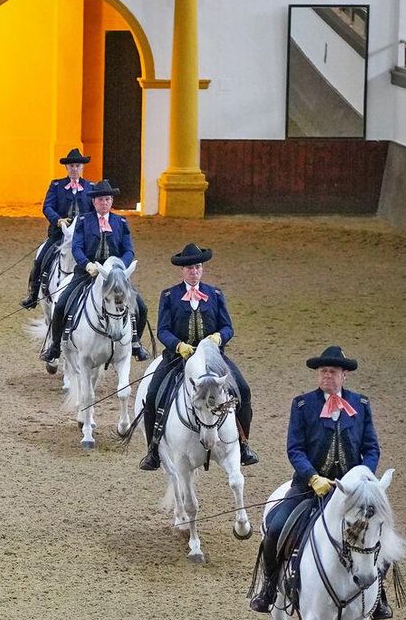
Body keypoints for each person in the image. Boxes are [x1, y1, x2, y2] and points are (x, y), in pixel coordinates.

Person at [249, 346, 388, 618]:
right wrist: (313, 477)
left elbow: (371, 448)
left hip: (351, 494)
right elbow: (295, 449)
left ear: (344, 375)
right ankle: (267, 588)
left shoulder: (360, 406)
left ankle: (380, 595)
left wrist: (361, 478)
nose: (326, 376)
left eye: (332, 372)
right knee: (276, 529)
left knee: (380, 535)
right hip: (308, 488)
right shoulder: (302, 405)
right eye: (322, 371)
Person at [138, 243, 260, 470]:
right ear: (182, 271)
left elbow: (228, 327)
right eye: (189, 268)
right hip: (178, 358)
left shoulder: (215, 294)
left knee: (242, 389)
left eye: (197, 267)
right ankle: (153, 449)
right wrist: (178, 345)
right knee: (154, 394)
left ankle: (243, 445)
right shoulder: (169, 295)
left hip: (213, 358)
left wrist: (218, 338)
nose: (193, 271)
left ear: (202, 269)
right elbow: (163, 329)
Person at [39, 180, 151, 364]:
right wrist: (87, 264)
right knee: (61, 305)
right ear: (94, 202)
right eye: (100, 200)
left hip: (115, 274)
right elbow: (76, 248)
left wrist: (120, 267)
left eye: (107, 199)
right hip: (87, 272)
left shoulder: (120, 222)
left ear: (111, 201)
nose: (104, 203)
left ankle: (136, 342)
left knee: (141, 306)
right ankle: (55, 346)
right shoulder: (83, 221)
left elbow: (129, 250)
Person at [21, 147, 94, 309]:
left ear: (82, 168)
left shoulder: (90, 188)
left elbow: (93, 212)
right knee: (41, 258)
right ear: (67, 168)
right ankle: (33, 294)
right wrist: (59, 220)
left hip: (83, 237)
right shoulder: (56, 185)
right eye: (71, 166)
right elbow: (47, 207)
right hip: (59, 234)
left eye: (77, 166)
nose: (74, 169)